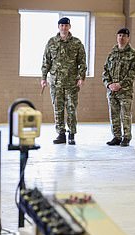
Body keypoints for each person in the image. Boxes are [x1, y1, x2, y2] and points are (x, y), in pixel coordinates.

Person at [41, 17, 87, 145]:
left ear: (69, 27)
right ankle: (61, 134)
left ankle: (71, 134)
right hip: (56, 83)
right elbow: (46, 62)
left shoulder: (77, 43)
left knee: (71, 109)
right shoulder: (52, 42)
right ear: (58, 27)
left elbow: (82, 62)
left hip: (72, 82)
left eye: (66, 26)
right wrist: (43, 78)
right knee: (58, 109)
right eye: (61, 25)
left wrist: (81, 77)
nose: (64, 28)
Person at [102, 28, 135, 147]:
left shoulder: (133, 54)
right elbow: (105, 71)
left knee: (125, 115)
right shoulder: (112, 53)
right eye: (119, 35)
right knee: (113, 114)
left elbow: (133, 73)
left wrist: (120, 84)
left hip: (125, 91)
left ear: (128, 38)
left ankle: (126, 137)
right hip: (112, 91)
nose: (121, 38)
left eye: (124, 36)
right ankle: (116, 136)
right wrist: (109, 84)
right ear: (117, 37)